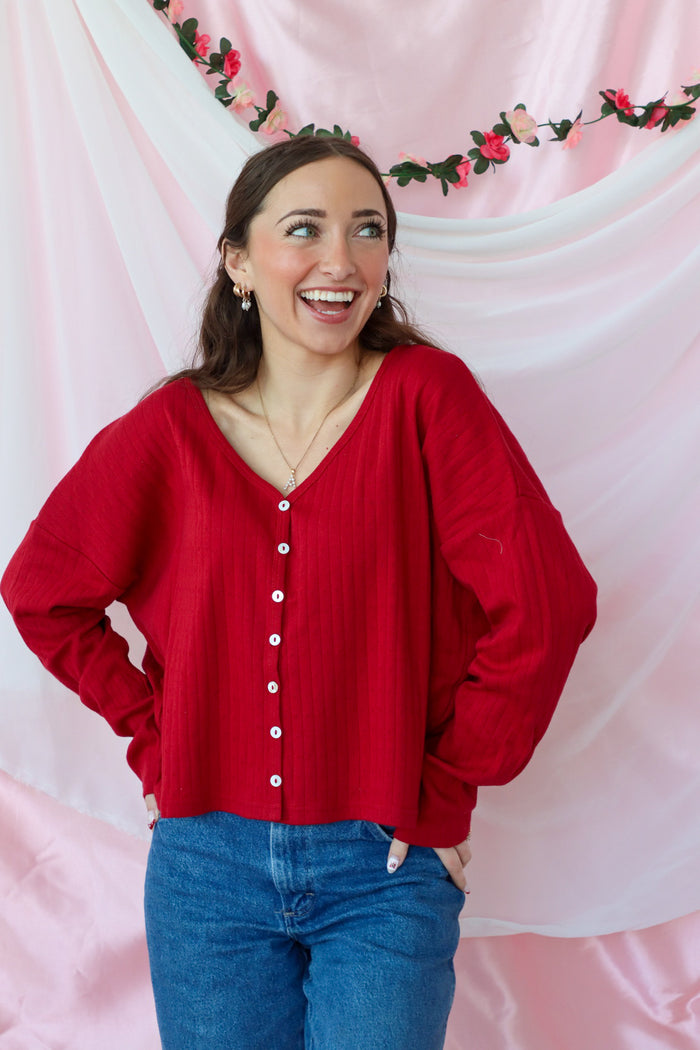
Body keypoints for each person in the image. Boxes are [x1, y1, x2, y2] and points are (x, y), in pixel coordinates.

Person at [1, 135, 596, 1050]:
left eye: (368, 232)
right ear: (239, 258)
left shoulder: (427, 399)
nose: (341, 261)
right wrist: (157, 740)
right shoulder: (169, 429)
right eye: (305, 229)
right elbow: (43, 591)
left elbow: (547, 606)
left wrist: (445, 786)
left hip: (384, 868)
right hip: (205, 869)